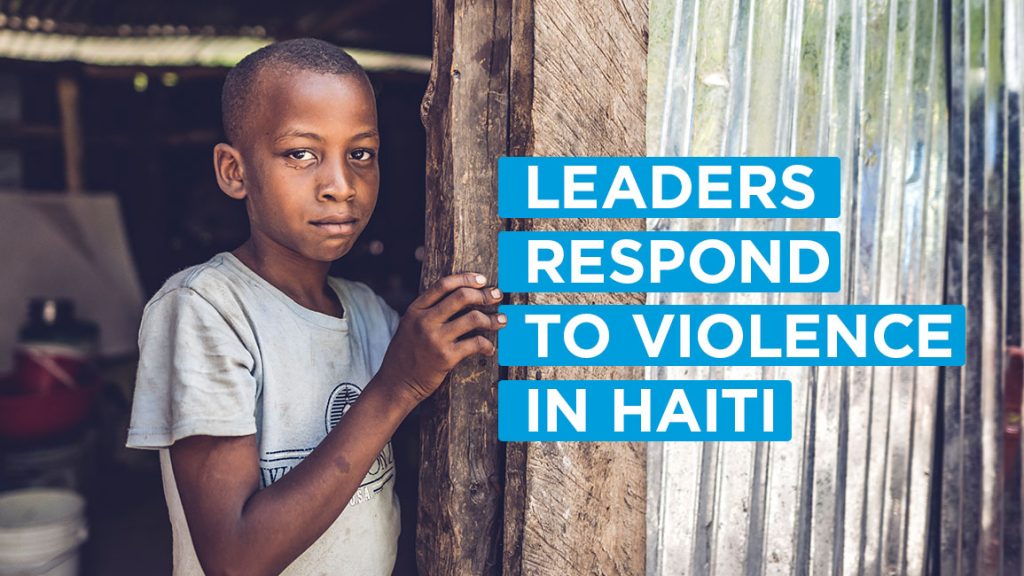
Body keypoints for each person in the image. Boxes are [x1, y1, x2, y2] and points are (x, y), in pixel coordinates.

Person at [126, 38, 505, 576]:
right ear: (235, 171)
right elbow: (234, 559)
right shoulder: (203, 310)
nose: (340, 185)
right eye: (301, 154)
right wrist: (397, 386)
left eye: (360, 154)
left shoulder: (371, 314)